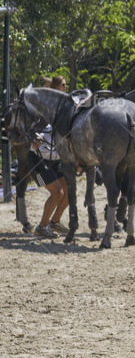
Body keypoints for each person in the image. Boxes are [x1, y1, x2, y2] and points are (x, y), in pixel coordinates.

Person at [32, 75, 69, 238]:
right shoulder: (46, 108)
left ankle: (54, 222)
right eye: (63, 85)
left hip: (55, 159)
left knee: (69, 192)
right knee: (57, 193)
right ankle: (41, 227)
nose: (65, 88)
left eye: (66, 85)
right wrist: (35, 137)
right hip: (38, 159)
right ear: (55, 87)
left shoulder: (65, 108)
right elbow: (31, 126)